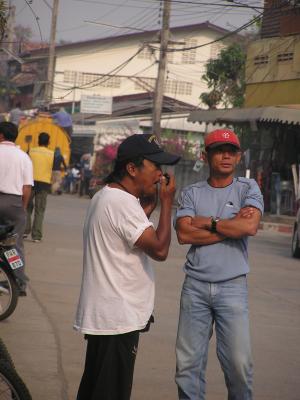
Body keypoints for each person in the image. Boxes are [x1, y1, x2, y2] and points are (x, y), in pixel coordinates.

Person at [74, 133, 181, 400]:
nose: (160, 174)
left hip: (107, 315)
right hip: (117, 319)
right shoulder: (122, 203)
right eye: (155, 166)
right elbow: (159, 249)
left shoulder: (107, 196)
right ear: (132, 169)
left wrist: (148, 209)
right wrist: (167, 204)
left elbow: (125, 235)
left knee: (95, 389)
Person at [174, 128, 264, 400]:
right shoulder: (191, 193)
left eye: (232, 151)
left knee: (239, 364)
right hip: (195, 288)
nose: (226, 155)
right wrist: (229, 226)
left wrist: (209, 222)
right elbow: (183, 234)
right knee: (187, 366)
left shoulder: (248, 188)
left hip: (232, 287)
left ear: (238, 157)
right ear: (205, 155)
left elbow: (248, 226)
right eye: (218, 150)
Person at [0, 122, 33, 294]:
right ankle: (19, 281)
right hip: (14, 204)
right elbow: (27, 187)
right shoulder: (23, 157)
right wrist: (23, 208)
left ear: (1, 136)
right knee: (14, 245)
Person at [25, 132, 54, 242]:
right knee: (39, 210)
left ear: (38, 140)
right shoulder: (52, 154)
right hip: (44, 184)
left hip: (30, 182)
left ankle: (24, 231)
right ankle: (36, 236)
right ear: (48, 142)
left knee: (27, 207)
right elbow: (54, 170)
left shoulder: (31, 151)